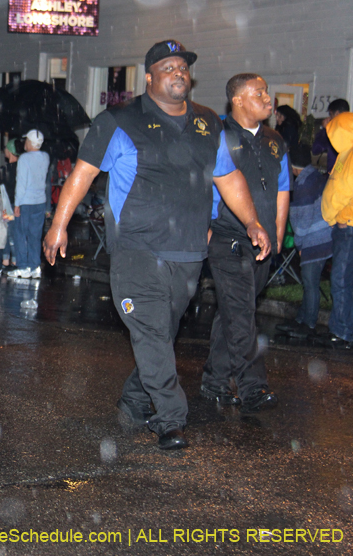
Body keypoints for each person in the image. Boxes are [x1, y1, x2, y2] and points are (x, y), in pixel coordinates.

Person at [42, 40, 270, 450]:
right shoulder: (119, 120)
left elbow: (229, 178)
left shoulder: (207, 124)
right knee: (150, 330)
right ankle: (169, 417)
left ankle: (134, 401)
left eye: (183, 66)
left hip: (187, 252)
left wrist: (252, 221)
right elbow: (84, 172)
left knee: (159, 335)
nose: (178, 72)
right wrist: (59, 224)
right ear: (149, 77)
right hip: (136, 249)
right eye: (168, 67)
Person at [202, 74, 290, 412]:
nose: (268, 98)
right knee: (242, 315)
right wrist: (207, 226)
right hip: (229, 239)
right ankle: (253, 386)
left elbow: (283, 188)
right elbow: (206, 182)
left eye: (267, 91)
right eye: (259, 93)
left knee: (234, 312)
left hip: (263, 241)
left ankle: (214, 382)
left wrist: (278, 233)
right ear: (238, 100)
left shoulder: (275, 140)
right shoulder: (217, 136)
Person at [277, 149, 332, 338]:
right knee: (310, 283)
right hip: (324, 236)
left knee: (310, 283)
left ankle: (308, 325)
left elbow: (302, 222)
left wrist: (299, 245)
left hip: (314, 240)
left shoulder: (303, 184)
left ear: (293, 168)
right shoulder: (314, 176)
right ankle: (301, 319)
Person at [320, 112, 353, 347]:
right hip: (343, 226)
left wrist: (339, 218)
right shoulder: (346, 152)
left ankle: (342, 332)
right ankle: (342, 328)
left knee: (341, 280)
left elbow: (345, 192)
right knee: (344, 280)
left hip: (348, 226)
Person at [6, 129, 49, 279]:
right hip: (40, 202)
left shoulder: (24, 159)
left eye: (26, 141)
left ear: (30, 143)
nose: (24, 143)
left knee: (20, 234)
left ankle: (23, 266)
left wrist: (17, 204)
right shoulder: (45, 157)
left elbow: (21, 183)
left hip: (26, 202)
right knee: (35, 235)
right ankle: (34, 266)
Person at [312, 99, 349, 172]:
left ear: (337, 114)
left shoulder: (335, 132)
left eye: (330, 114)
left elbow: (316, 149)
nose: (329, 118)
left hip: (335, 172)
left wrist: (325, 130)